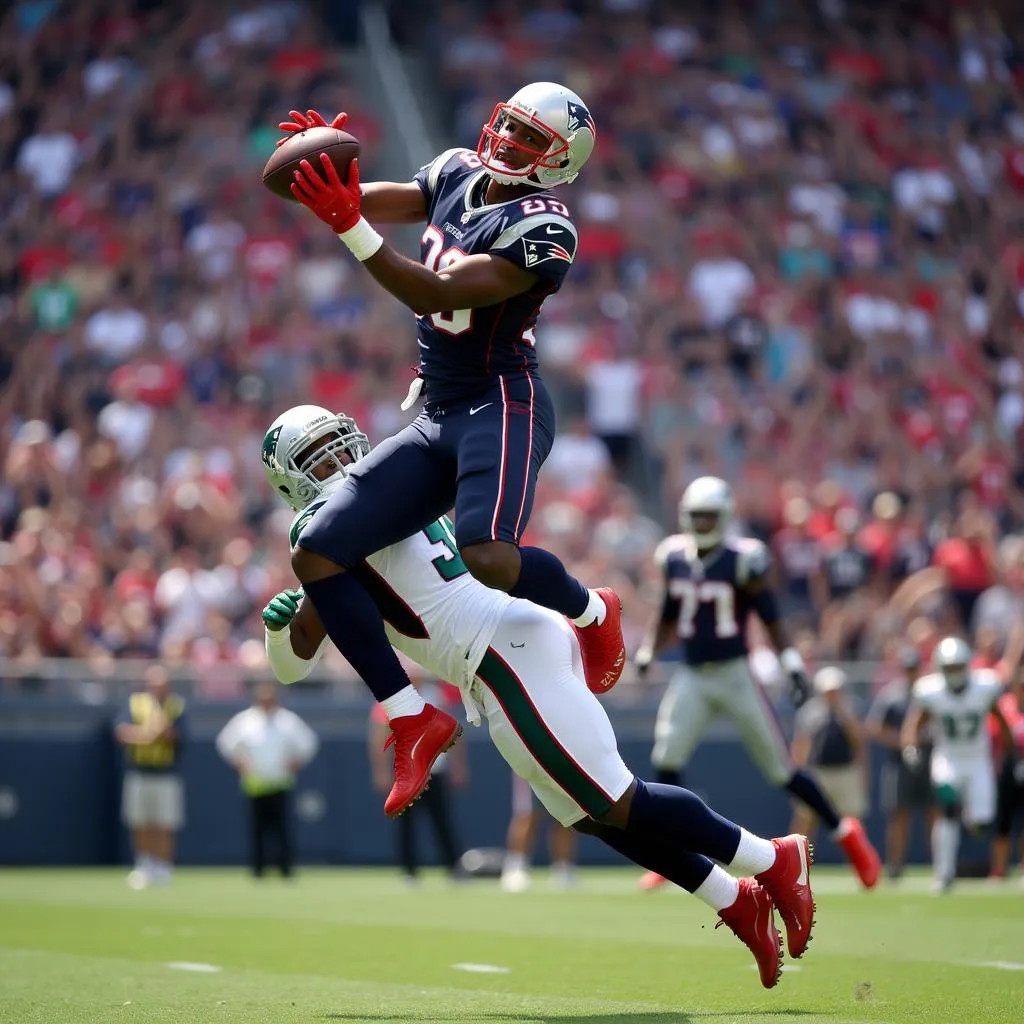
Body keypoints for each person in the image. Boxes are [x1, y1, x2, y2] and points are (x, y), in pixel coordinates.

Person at [260, 405, 817, 990]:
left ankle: (772, 858)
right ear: (290, 481)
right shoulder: (345, 529)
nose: (341, 461)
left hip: (505, 647)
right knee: (597, 818)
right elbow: (294, 664)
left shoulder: (326, 527)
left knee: (619, 801)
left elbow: (307, 644)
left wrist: (294, 624)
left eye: (341, 445)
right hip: (494, 660)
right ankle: (736, 900)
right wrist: (278, 630)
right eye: (320, 457)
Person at [270, 87, 625, 820]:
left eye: (531, 141)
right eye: (511, 126)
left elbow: (430, 289)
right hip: (440, 408)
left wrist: (348, 229)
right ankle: (410, 718)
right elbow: (388, 200)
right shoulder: (460, 169)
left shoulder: (545, 226)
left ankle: (593, 612)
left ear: (559, 166)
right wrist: (328, 186)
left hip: (502, 404)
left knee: (489, 554)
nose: (508, 143)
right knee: (319, 546)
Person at [635, 477, 881, 891]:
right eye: (696, 515)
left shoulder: (743, 559)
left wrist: (792, 664)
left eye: (709, 516)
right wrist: (647, 651)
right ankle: (674, 852)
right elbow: (668, 612)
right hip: (693, 676)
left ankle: (848, 835)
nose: (702, 522)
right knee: (667, 760)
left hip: (735, 674)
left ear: (726, 517)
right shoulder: (674, 556)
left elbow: (770, 616)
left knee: (782, 771)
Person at [901, 637, 1016, 894]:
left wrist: (1012, 752)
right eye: (949, 667)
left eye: (957, 667)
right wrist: (911, 748)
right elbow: (914, 724)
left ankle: (971, 818)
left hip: (978, 761)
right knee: (947, 811)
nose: (953, 673)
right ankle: (944, 873)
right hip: (948, 759)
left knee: (981, 822)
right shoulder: (931, 691)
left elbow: (1000, 718)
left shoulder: (984, 686)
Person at [368, 673, 467, 884]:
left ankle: (453, 866)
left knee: (441, 821)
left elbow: (454, 731)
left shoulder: (436, 695)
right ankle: (409, 870)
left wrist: (458, 766)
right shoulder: (392, 698)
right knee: (406, 824)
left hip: (435, 769)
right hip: (406, 772)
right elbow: (380, 736)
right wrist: (381, 771)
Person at [215, 682, 319, 879]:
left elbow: (309, 743)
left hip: (281, 783)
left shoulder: (287, 721)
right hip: (255, 784)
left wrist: (297, 761)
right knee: (257, 830)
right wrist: (239, 762)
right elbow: (225, 743)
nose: (267, 702)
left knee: (282, 830)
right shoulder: (245, 721)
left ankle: (285, 868)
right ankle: (258, 869)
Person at [865, 648, 935, 880]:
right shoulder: (892, 695)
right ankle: (895, 867)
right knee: (899, 817)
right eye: (908, 669)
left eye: (914, 668)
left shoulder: (930, 694)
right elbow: (875, 728)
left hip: (930, 761)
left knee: (933, 815)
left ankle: (940, 866)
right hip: (898, 763)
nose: (911, 673)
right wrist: (902, 742)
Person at [114, 665, 186, 889]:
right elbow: (122, 732)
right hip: (140, 771)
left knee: (165, 822)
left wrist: (160, 731)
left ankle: (164, 867)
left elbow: (177, 736)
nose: (159, 688)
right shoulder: (135, 703)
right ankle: (144, 865)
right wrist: (146, 735)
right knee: (141, 822)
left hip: (166, 773)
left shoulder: (176, 706)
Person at [790, 668, 869, 843]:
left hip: (845, 772)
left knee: (853, 821)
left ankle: (861, 863)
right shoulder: (809, 712)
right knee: (806, 820)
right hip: (817, 773)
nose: (832, 695)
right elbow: (801, 746)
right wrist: (798, 780)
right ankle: (798, 864)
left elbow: (859, 741)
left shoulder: (851, 709)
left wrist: (843, 713)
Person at [500, 773, 578, 892]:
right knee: (526, 814)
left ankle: (564, 868)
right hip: (531, 764)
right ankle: (516, 867)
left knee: (565, 815)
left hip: (562, 764)